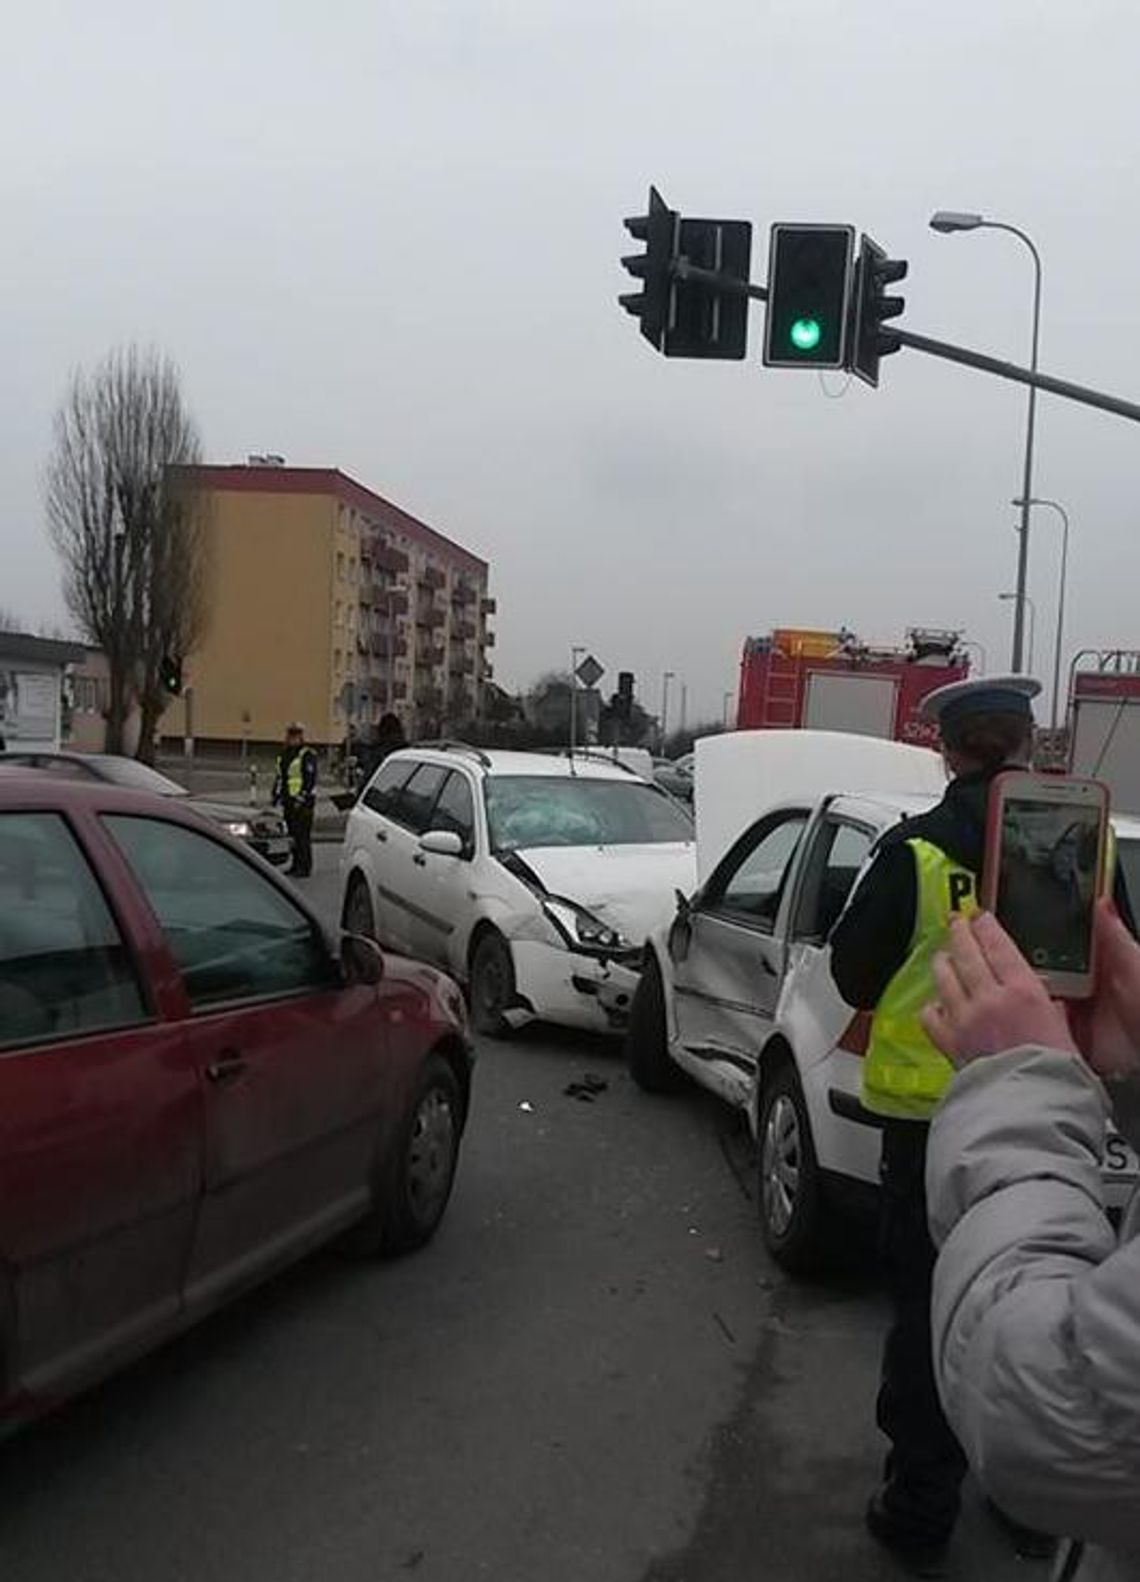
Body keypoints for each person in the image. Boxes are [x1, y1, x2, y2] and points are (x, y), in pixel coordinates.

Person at [829, 675, 1043, 1559]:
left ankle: (920, 1512)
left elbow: (854, 975)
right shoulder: (1076, 847)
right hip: (1041, 1118)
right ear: (1029, 749)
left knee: (927, 1314)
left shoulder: (914, 852)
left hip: (928, 1126)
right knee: (1034, 1303)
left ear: (949, 751)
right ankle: (1036, 1503)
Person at [923, 905, 1140, 1582]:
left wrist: (1018, 1084)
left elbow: (1053, 1394)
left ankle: (914, 1513)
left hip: (964, 1125)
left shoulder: (907, 853)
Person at [273, 721, 318, 878]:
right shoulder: (283, 754)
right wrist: (276, 795)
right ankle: (295, 864)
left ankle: (304, 867)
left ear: (301, 736)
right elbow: (280, 777)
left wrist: (302, 797)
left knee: (302, 836)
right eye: (290, 734)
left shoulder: (307, 754)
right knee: (292, 835)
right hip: (288, 801)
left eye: (296, 735)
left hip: (303, 802)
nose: (292, 738)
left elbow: (310, 779)